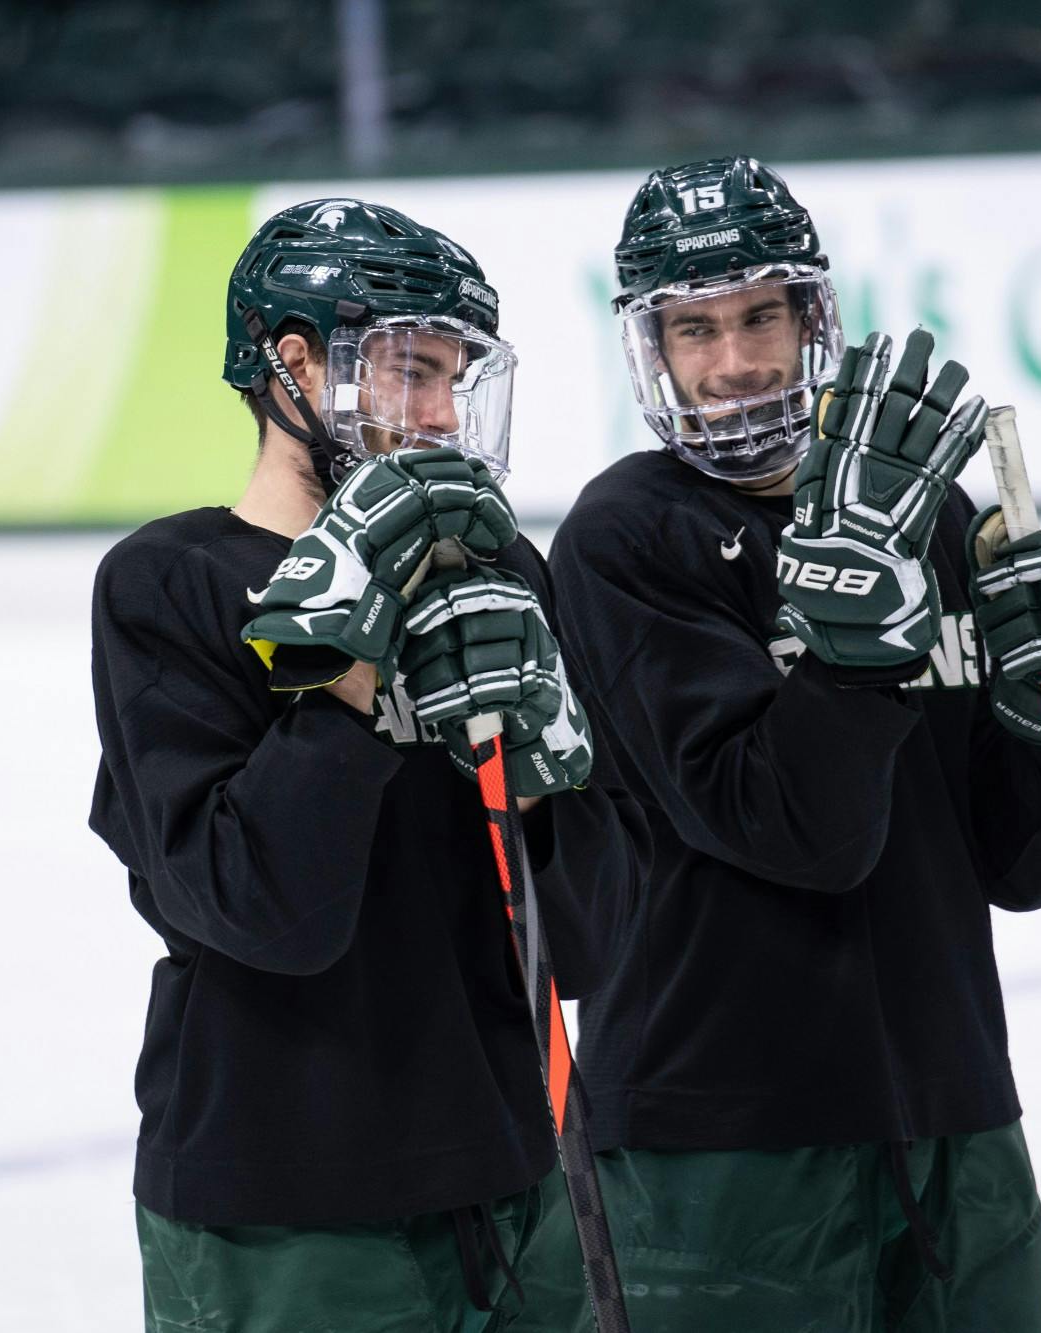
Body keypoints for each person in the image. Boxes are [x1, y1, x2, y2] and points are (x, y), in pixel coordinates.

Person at [547, 156, 1041, 1331]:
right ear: (649, 349)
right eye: (693, 329)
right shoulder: (627, 538)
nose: (733, 360)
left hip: (952, 1113)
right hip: (718, 1146)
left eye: (760, 314)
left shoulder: (935, 518)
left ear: (813, 315)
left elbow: (1022, 870)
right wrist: (852, 645)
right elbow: (795, 831)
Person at [88, 197, 648, 1332]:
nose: (441, 412)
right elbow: (261, 911)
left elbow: (584, 948)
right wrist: (342, 666)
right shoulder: (170, 586)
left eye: (454, 376)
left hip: (512, 1183)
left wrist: (541, 789)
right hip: (284, 1212)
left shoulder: (499, 575)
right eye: (409, 371)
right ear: (292, 363)